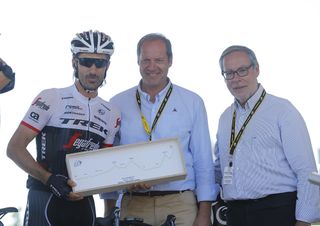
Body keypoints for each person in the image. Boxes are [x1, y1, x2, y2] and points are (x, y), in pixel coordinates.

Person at [100, 33, 219, 226]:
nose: (151, 66)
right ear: (137, 61)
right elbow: (109, 158)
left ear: (170, 61)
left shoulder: (192, 102)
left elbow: (203, 160)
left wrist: (204, 214)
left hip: (180, 205)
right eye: (146, 60)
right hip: (133, 204)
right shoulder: (117, 103)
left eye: (159, 60)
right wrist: (108, 211)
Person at [6, 30, 121, 226]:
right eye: (86, 62)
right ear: (74, 62)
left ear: (107, 66)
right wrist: (48, 179)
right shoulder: (52, 98)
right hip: (44, 198)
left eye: (99, 63)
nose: (93, 70)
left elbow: (104, 165)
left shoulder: (112, 113)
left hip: (84, 205)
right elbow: (14, 148)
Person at [214, 45, 320, 226]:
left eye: (242, 70)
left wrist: (304, 219)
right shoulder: (225, 118)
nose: (236, 79)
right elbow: (220, 167)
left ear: (256, 69)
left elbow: (307, 170)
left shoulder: (282, 110)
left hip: (277, 212)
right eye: (229, 73)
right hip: (235, 214)